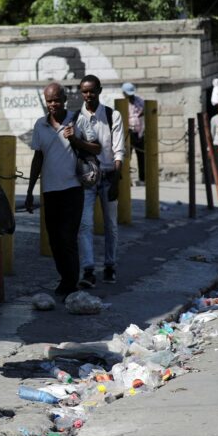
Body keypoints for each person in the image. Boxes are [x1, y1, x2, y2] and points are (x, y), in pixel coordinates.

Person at [25, 83, 98, 300]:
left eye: (57, 100)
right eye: (49, 101)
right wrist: (30, 191)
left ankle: (70, 283)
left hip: (73, 189)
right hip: (50, 190)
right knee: (55, 240)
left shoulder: (79, 121)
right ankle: (65, 278)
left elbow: (97, 148)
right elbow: (37, 158)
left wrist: (75, 139)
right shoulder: (40, 125)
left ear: (65, 99)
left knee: (68, 238)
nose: (53, 104)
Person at [78, 75, 125, 287]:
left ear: (99, 91)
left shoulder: (112, 115)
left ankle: (110, 266)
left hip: (108, 176)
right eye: (84, 91)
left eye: (92, 91)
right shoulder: (77, 117)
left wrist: (116, 180)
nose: (88, 95)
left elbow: (118, 150)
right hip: (87, 179)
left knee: (110, 226)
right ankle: (88, 270)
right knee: (85, 225)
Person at [122, 82, 145, 183]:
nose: (130, 96)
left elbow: (144, 113)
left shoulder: (140, 101)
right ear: (124, 93)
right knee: (127, 157)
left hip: (139, 132)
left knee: (142, 157)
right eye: (128, 94)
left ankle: (142, 179)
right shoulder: (122, 103)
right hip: (127, 133)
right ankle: (127, 180)